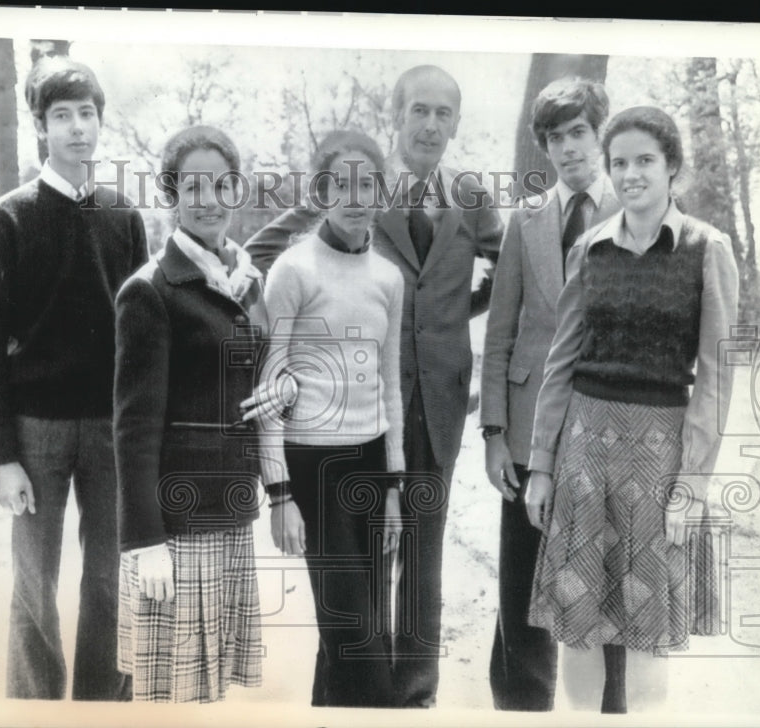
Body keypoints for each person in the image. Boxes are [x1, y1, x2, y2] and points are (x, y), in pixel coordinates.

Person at [246, 65, 503, 707]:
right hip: (358, 406)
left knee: (422, 556)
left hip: (437, 399)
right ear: (397, 117)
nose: (431, 124)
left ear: (456, 123)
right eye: (419, 110)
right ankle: (347, 697)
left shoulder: (470, 198)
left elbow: (509, 267)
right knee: (355, 572)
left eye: (444, 113)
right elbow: (259, 253)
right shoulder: (358, 185)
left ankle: (413, 697)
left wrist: (451, 317)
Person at [525, 106, 738, 713]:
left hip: (659, 458)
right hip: (584, 454)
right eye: (619, 163)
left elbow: (717, 378)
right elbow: (560, 365)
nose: (631, 174)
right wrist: (542, 464)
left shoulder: (706, 248)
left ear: (673, 167)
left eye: (645, 160)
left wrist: (692, 485)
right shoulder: (590, 249)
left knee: (647, 631)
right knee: (578, 623)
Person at [0, 56, 147, 701]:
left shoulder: (124, 216)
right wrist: (3, 458)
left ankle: (104, 709)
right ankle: (34, 711)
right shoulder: (8, 218)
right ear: (42, 128)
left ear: (100, 123)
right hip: (36, 432)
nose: (78, 128)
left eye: (87, 114)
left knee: (109, 580)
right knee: (34, 586)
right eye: (62, 116)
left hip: (110, 430)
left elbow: (143, 333)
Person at [113, 126, 268, 703]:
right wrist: (144, 539)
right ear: (172, 195)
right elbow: (132, 428)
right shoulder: (149, 291)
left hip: (228, 510)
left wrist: (280, 387)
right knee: (171, 699)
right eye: (192, 186)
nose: (207, 200)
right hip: (175, 528)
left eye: (221, 185)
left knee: (210, 694)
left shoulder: (247, 279)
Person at [252, 130, 405, 707]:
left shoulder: (389, 279)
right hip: (314, 467)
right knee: (356, 637)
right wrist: (280, 493)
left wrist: (393, 490)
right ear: (320, 191)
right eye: (340, 184)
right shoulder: (292, 270)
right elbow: (270, 385)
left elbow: (389, 388)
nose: (355, 196)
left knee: (348, 636)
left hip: (371, 462)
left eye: (367, 184)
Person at [480, 78, 617, 712]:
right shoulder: (527, 218)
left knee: (608, 581)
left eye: (578, 132)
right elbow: (501, 332)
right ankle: (519, 706)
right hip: (528, 428)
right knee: (523, 583)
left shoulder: (635, 210)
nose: (567, 148)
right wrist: (493, 434)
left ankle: (610, 709)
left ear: (601, 132)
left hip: (605, 424)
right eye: (555, 138)